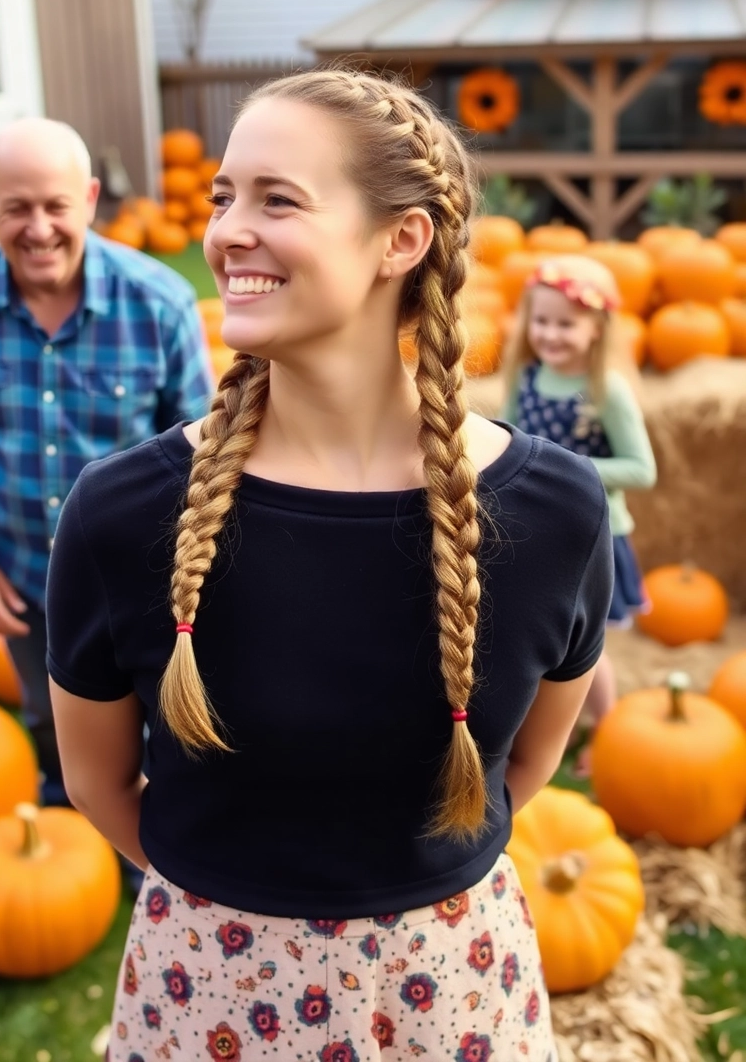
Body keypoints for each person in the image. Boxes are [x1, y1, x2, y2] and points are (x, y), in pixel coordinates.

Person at [46, 70, 613, 1062]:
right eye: (224, 197)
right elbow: (96, 785)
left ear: (402, 240)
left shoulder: (556, 514)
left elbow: (522, 766)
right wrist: (240, 918)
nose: (226, 232)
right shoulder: (123, 512)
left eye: (278, 199)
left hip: (453, 995)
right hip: (206, 988)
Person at [0, 117, 213, 805]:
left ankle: (154, 847)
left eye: (55, 205)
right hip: (21, 577)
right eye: (17, 208)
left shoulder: (157, 305)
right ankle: (68, 812)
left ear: (88, 198)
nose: (39, 227)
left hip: (141, 576)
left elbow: (204, 452)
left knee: (158, 720)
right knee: (53, 713)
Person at [501, 253, 657, 776]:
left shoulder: (605, 391)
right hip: (539, 528)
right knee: (545, 636)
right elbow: (512, 439)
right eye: (541, 321)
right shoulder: (526, 377)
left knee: (586, 647)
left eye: (566, 323)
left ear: (597, 328)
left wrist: (566, 469)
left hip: (593, 534)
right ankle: (541, 729)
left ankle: (605, 729)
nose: (550, 334)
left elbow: (642, 469)